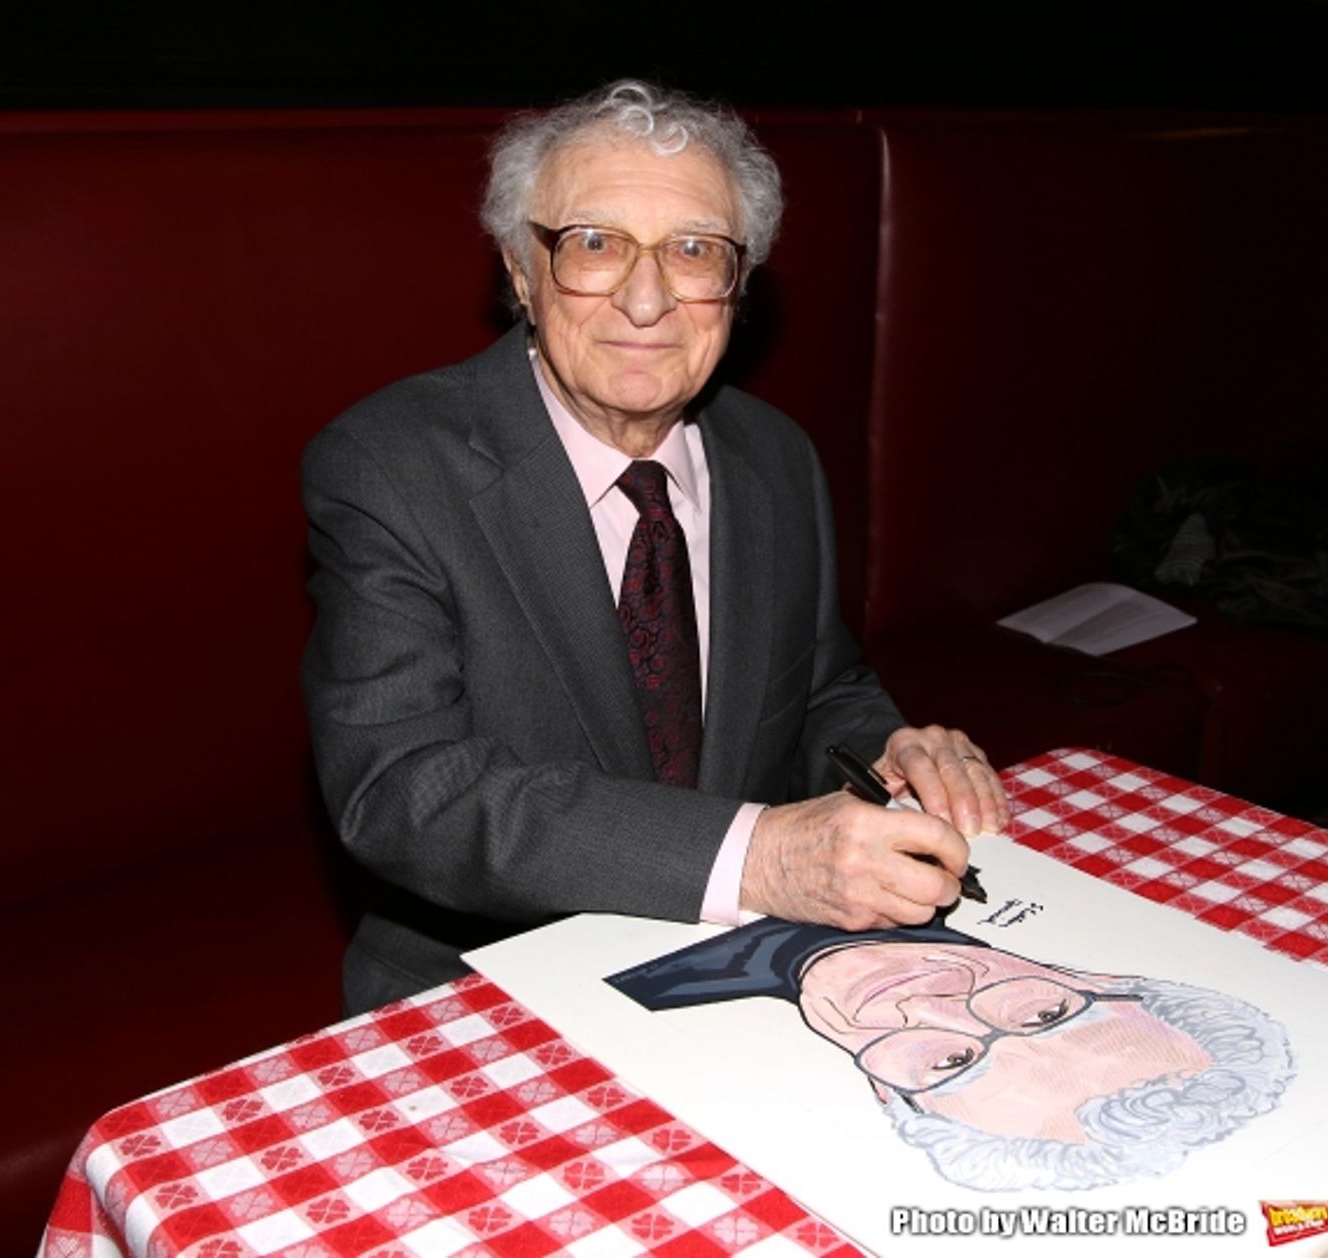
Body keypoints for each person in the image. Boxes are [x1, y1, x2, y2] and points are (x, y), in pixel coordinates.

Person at [301, 80, 1008, 1015]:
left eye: (693, 251)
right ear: (521, 270)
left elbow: (822, 688)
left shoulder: (775, 457)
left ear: (737, 283)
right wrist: (759, 857)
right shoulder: (389, 466)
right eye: (593, 245)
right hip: (488, 988)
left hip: (754, 968)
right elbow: (403, 793)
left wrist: (887, 752)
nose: (647, 299)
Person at [608, 917, 1294, 1190]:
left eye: (948, 1063)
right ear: (1103, 982)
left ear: (890, 1095)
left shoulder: (636, 998)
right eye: (1044, 1013)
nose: (929, 1004)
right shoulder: (965, 857)